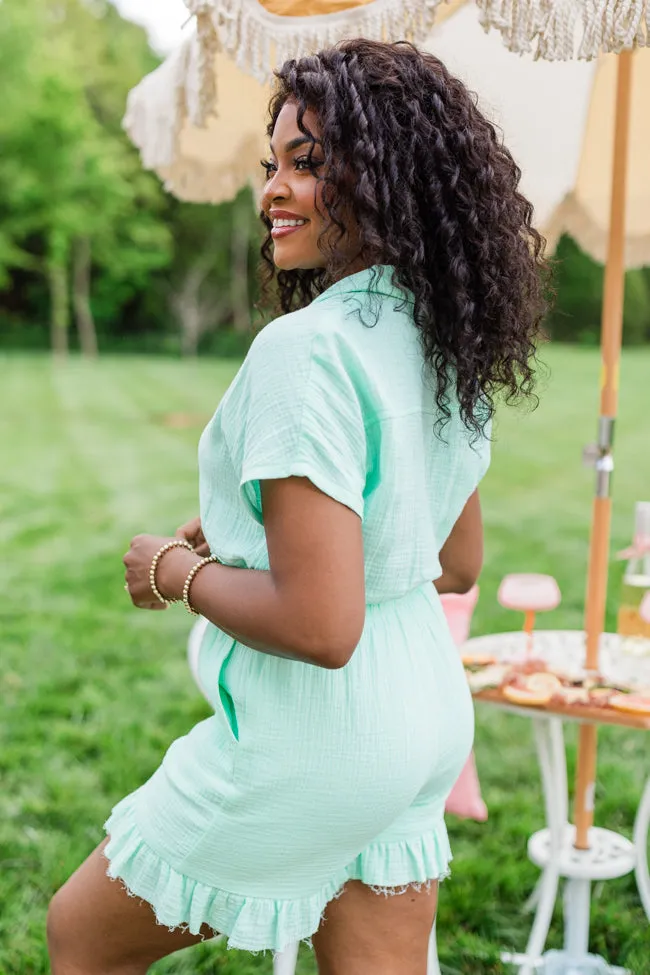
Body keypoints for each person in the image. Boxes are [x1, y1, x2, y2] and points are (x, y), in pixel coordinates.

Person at [47, 39, 546, 975]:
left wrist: (177, 570)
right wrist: (257, 542)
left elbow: (323, 623)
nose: (275, 188)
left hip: (315, 736)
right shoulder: (444, 336)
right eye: (272, 163)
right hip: (425, 714)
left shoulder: (304, 350)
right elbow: (455, 560)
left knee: (81, 938)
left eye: (309, 163)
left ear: (389, 175)